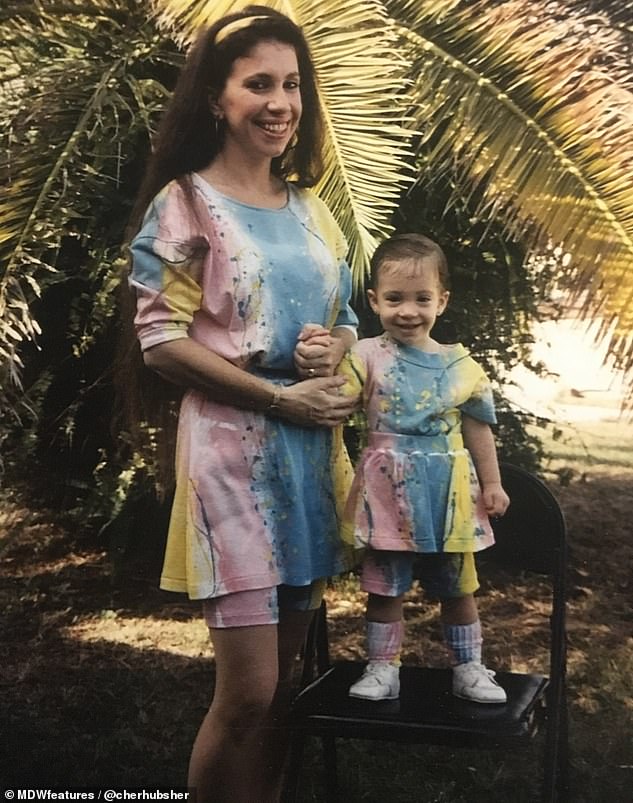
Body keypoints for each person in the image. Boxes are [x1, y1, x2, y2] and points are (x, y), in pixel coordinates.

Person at [125, 8, 359, 802]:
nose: (279, 102)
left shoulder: (311, 210)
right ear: (216, 100)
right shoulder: (185, 206)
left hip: (308, 467)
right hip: (231, 458)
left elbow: (348, 318)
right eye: (257, 83)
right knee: (248, 693)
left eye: (291, 84)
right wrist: (274, 395)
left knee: (284, 691)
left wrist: (335, 350)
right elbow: (160, 341)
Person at [337, 232, 510, 704]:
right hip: (386, 490)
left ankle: (469, 669)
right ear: (374, 301)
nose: (407, 310)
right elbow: (338, 399)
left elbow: (478, 429)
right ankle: (381, 669)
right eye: (394, 299)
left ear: (442, 301)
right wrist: (316, 360)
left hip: (447, 493)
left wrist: (491, 484)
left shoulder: (460, 365)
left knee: (458, 587)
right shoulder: (365, 356)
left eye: (421, 299)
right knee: (385, 587)